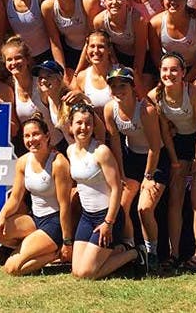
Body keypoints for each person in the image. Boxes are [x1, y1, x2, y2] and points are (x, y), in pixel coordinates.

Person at [148, 52, 196, 272]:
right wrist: (174, 162)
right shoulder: (156, 95)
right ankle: (173, 254)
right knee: (175, 198)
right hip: (178, 144)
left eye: (174, 69)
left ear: (183, 73)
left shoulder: (193, 93)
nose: (169, 74)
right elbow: (164, 130)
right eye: (165, 69)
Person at [0, 117, 75, 276]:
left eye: (36, 134)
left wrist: (67, 242)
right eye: (27, 136)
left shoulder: (58, 163)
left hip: (54, 223)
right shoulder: (23, 162)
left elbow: (65, 206)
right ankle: (40, 249)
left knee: (12, 268)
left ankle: (54, 252)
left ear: (47, 136)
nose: (31, 140)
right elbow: (15, 198)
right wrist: (1, 216)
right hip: (35, 219)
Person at [68, 102, 142, 279]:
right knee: (76, 272)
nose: (83, 128)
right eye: (79, 123)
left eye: (88, 123)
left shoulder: (101, 152)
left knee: (86, 273)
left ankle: (134, 253)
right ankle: (118, 250)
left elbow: (117, 189)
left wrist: (108, 223)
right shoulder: (70, 151)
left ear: (94, 126)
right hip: (87, 217)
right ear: (70, 126)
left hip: (108, 217)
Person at [102, 67, 163, 273]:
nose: (118, 90)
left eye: (123, 85)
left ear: (132, 87)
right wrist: (120, 174)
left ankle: (151, 253)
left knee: (144, 208)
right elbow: (116, 144)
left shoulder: (145, 109)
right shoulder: (110, 109)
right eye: (114, 86)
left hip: (154, 161)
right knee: (121, 204)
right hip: (131, 159)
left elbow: (155, 147)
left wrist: (148, 176)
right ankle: (129, 250)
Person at [91, 0, 151, 97]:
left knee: (141, 89)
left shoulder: (137, 19)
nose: (114, 2)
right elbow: (108, 47)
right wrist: (116, 65)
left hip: (142, 57)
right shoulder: (99, 21)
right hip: (118, 56)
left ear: (127, 0)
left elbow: (141, 50)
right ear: (104, 1)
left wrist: (135, 75)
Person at [41, 0, 97, 71]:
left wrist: (78, 72)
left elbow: (91, 39)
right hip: (69, 53)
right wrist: (61, 71)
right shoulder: (47, 7)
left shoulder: (87, 2)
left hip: (91, 51)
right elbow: (55, 43)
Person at [71, 30, 116, 112]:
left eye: (101, 46)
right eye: (92, 46)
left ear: (109, 49)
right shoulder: (82, 77)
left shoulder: (120, 73)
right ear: (87, 49)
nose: (96, 51)